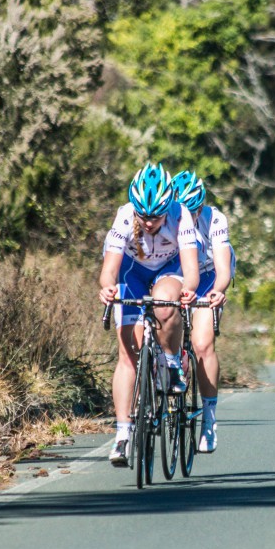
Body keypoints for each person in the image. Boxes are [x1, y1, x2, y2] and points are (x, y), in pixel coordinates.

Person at [99, 161, 199, 466]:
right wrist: (107, 288)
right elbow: (110, 269)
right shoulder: (124, 215)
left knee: (165, 303)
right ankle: (123, 435)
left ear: (168, 208)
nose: (149, 222)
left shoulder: (180, 215)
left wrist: (189, 290)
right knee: (128, 354)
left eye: (156, 217)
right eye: (143, 216)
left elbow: (191, 269)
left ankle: (170, 361)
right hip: (132, 271)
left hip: (169, 268)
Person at [172, 170, 235, 454]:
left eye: (194, 210)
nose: (189, 216)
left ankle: (209, 419)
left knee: (202, 344)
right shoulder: (167, 217)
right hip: (178, 274)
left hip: (209, 277)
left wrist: (218, 291)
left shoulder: (215, 219)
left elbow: (223, 268)